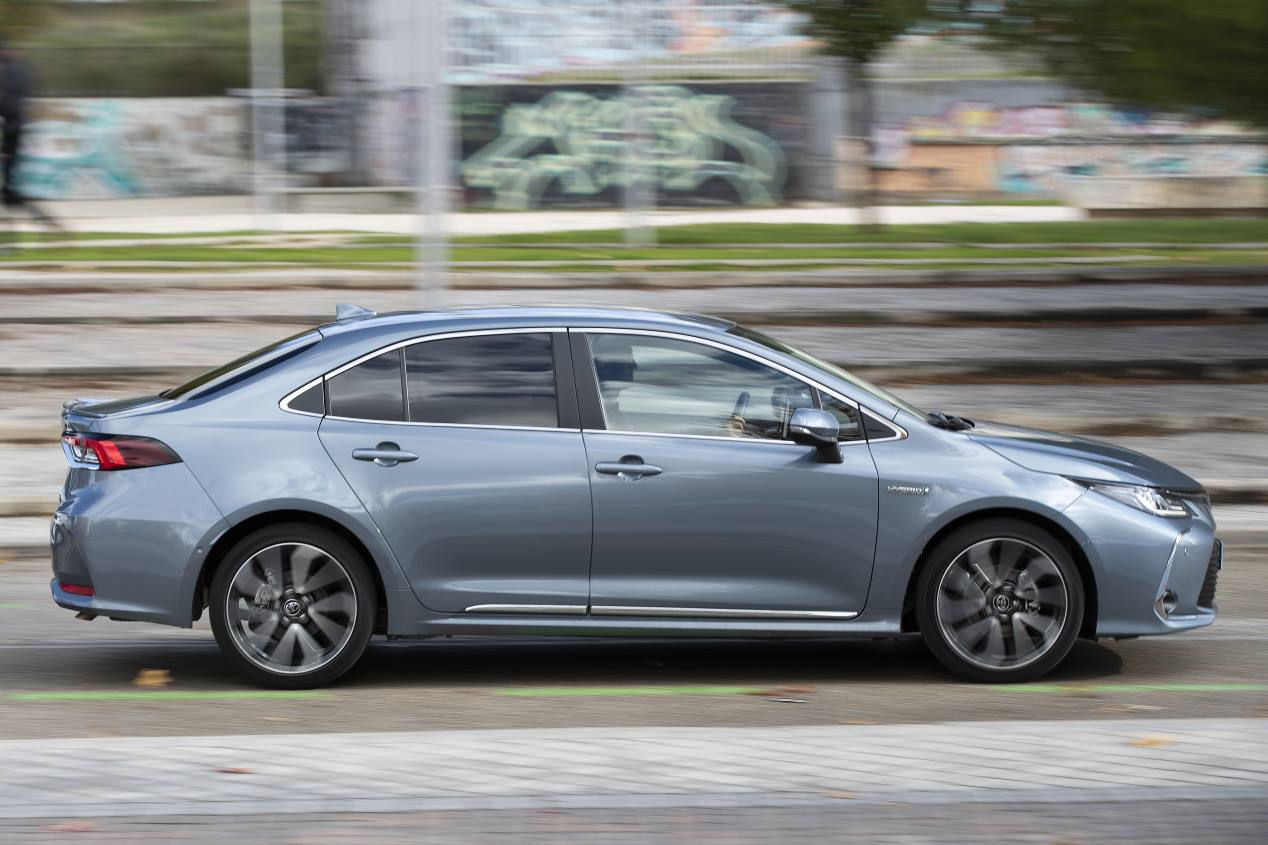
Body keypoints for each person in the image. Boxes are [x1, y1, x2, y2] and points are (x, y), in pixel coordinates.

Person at [0, 41, 57, 230]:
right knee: (8, 193)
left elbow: (10, 108)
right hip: (13, 135)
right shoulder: (17, 72)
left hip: (11, 136)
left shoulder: (11, 74)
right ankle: (46, 222)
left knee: (9, 193)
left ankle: (46, 222)